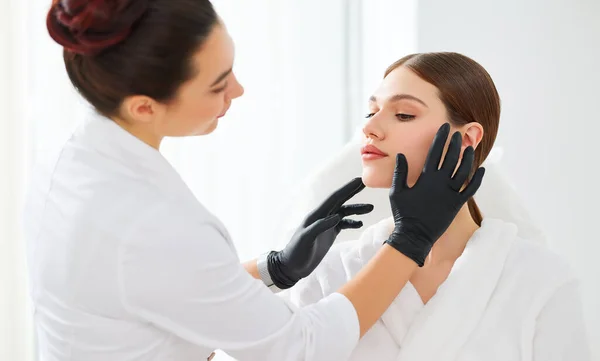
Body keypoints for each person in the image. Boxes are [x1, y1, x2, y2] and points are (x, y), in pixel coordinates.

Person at [23, 2, 486, 361]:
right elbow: (297, 350)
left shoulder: (74, 159)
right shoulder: (147, 222)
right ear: (144, 106)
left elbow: (172, 287)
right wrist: (411, 240)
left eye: (403, 113)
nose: (238, 90)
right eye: (217, 84)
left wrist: (275, 269)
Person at [283, 52, 591, 361]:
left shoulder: (540, 281)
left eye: (403, 114)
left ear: (467, 139)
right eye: (371, 112)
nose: (370, 128)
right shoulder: (331, 273)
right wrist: (277, 269)